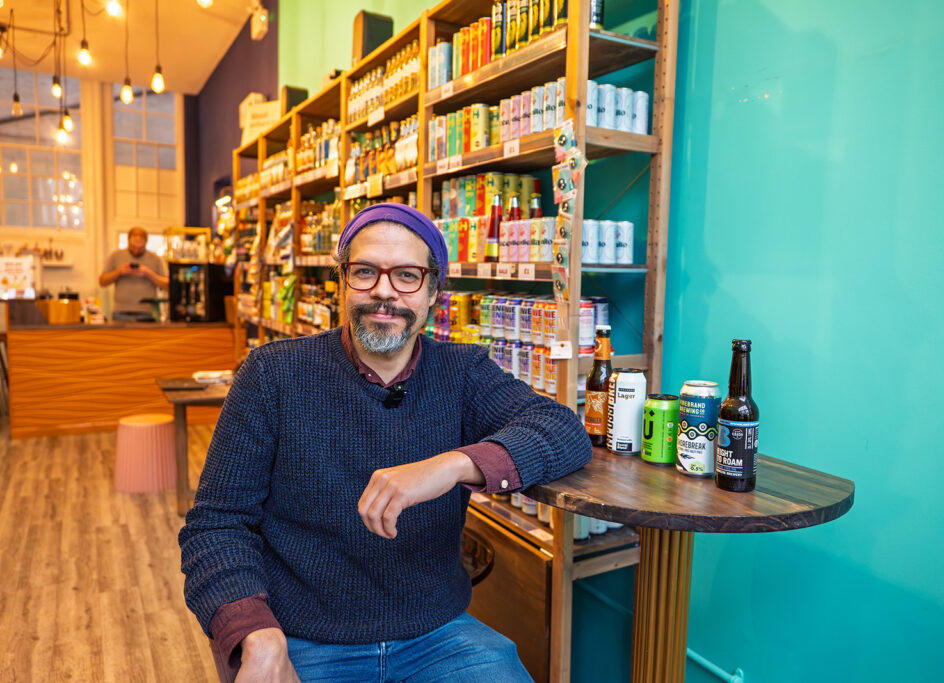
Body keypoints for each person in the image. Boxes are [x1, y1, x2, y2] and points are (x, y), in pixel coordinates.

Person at [179, 203, 592, 682]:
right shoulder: (273, 373)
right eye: (365, 272)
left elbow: (562, 428)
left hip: (437, 636)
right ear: (342, 280)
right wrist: (256, 633)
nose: (384, 291)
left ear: (433, 292)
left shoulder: (463, 371)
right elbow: (216, 524)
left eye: (407, 276)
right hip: (302, 638)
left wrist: (452, 465)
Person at [98, 226, 169, 321]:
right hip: (120, 313)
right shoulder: (116, 256)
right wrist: (119, 272)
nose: (136, 251)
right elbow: (102, 282)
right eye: (133, 247)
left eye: (140, 248)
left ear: (146, 242)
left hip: (148, 313)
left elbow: (168, 285)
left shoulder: (156, 259)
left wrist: (148, 273)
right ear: (128, 241)